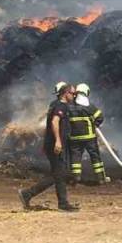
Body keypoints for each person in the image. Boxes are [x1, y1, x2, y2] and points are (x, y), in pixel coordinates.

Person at [18, 83, 79, 212]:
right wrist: (57, 141)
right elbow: (54, 122)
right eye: (73, 94)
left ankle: (62, 203)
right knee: (58, 174)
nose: (74, 96)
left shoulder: (54, 104)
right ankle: (28, 193)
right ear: (66, 93)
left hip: (53, 144)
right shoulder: (60, 106)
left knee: (59, 174)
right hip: (55, 145)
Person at [67, 83, 110, 184]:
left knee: (75, 158)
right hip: (89, 137)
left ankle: (76, 178)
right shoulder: (89, 107)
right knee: (95, 156)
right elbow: (100, 117)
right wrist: (96, 124)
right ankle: (100, 178)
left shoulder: (69, 107)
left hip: (74, 138)